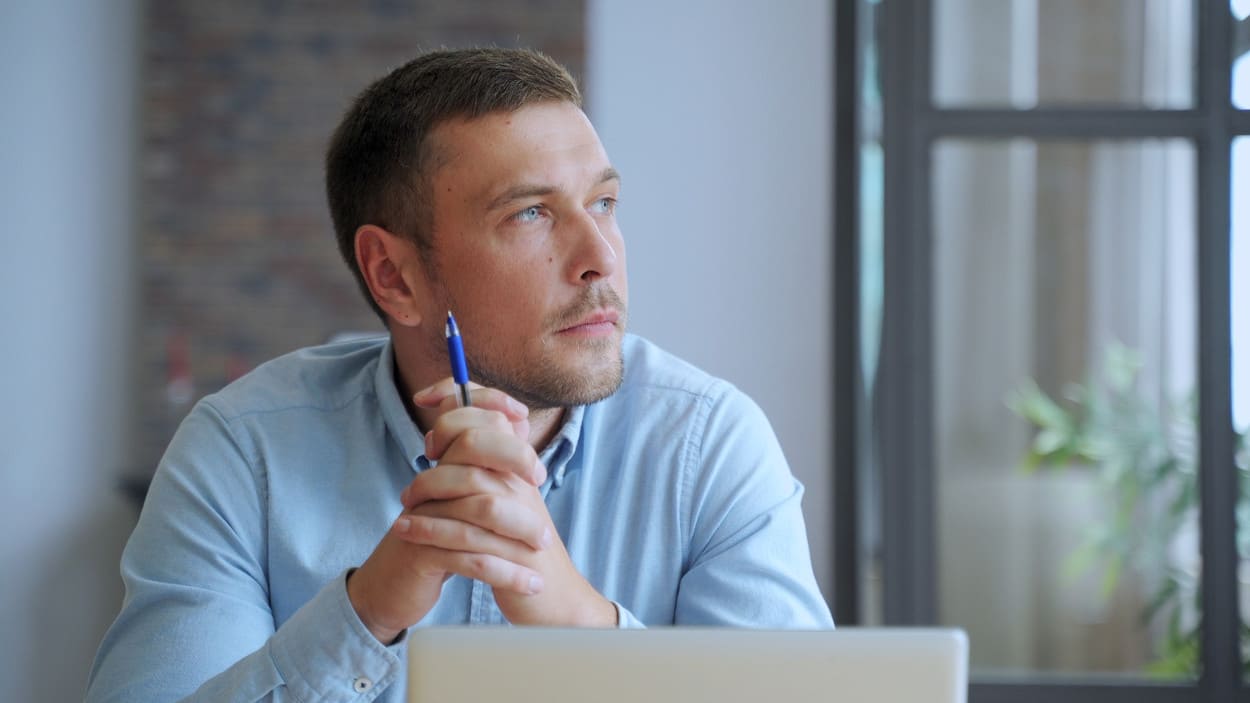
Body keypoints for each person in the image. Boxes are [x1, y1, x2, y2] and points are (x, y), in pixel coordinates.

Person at [85, 47, 832, 703]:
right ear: (395, 276)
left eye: (604, 202)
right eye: (532, 214)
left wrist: (573, 615)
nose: (600, 255)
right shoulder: (243, 452)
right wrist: (367, 611)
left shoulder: (710, 445)